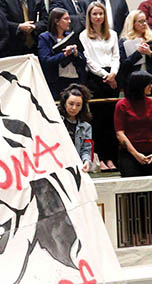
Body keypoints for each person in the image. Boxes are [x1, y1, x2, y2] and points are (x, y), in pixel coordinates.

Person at [79, 1, 119, 171]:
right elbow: (88, 60)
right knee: (99, 121)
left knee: (112, 121)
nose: (98, 17)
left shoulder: (113, 34)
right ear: (89, 16)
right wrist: (105, 75)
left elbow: (116, 56)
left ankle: (111, 158)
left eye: (100, 14)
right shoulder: (84, 35)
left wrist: (113, 74)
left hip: (113, 77)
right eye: (94, 14)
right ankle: (101, 159)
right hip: (96, 78)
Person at [38, 8, 86, 100]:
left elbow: (83, 60)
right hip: (57, 81)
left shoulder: (70, 36)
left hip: (74, 79)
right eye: (66, 19)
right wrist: (64, 54)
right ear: (56, 21)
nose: (69, 21)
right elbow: (45, 61)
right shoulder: (45, 37)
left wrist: (75, 53)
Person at [114, 71, 152, 177]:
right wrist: (136, 154)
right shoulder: (122, 105)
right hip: (130, 153)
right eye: (148, 84)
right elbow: (120, 133)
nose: (151, 86)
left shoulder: (151, 103)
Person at [58, 83, 92, 172]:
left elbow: (86, 149)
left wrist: (86, 161)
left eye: (78, 105)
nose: (74, 108)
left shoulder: (86, 127)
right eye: (71, 103)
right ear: (64, 103)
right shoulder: (55, 121)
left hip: (75, 166)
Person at [119, 10, 152, 88]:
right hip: (132, 81)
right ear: (132, 24)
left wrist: (149, 53)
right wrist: (138, 53)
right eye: (140, 21)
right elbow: (123, 66)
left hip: (150, 80)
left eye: (145, 21)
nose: (144, 24)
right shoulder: (124, 41)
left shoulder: (150, 39)